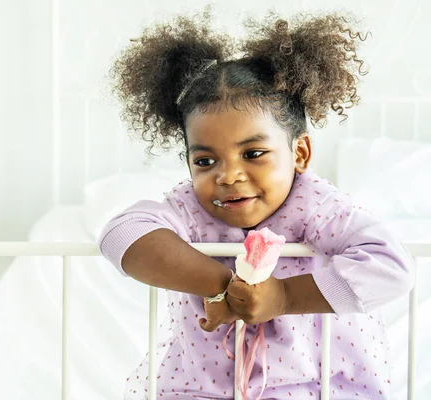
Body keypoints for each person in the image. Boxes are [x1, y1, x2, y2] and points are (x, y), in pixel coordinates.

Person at [98, 9, 413, 400]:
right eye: (205, 161)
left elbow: (391, 266)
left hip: (315, 387)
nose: (228, 175)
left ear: (299, 152)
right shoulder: (191, 207)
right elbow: (120, 233)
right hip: (202, 390)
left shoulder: (316, 205)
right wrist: (223, 288)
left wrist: (283, 297)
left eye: (253, 153)